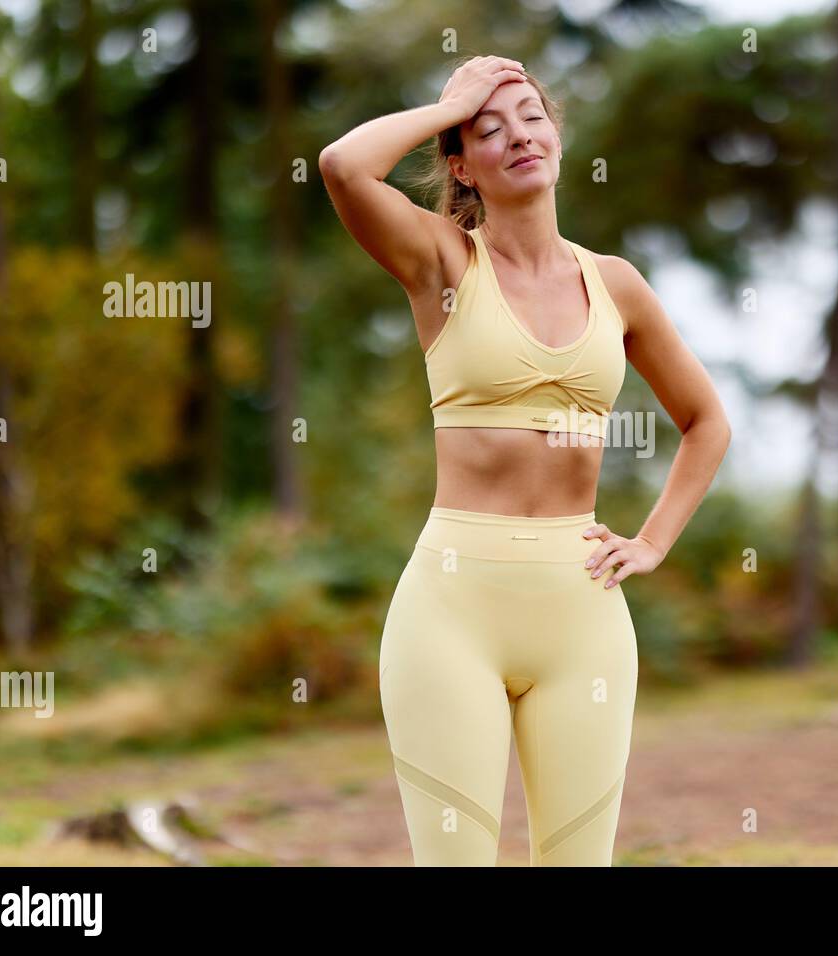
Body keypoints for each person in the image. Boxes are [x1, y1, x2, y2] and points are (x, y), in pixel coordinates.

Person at [318, 54, 731, 866]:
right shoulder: (442, 264)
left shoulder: (618, 286)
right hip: (452, 611)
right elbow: (343, 166)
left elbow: (706, 421)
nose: (518, 135)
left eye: (531, 115)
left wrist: (651, 543)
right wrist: (450, 104)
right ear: (460, 164)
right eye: (487, 127)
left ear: (559, 139)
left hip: (583, 614)